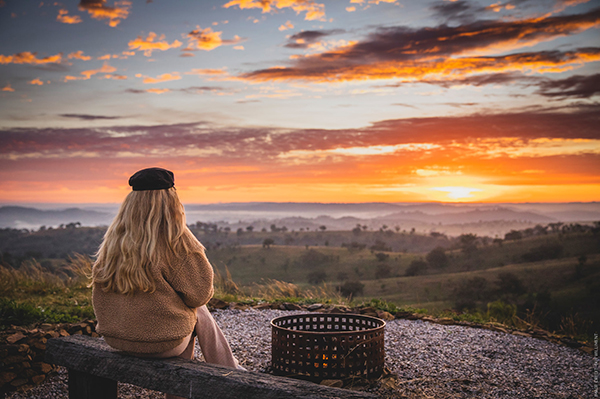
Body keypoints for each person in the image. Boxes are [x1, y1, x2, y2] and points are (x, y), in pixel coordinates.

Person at [91, 167, 243, 399]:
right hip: (161, 344)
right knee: (196, 310)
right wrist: (185, 235)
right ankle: (230, 374)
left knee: (189, 314)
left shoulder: (114, 239)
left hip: (117, 338)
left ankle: (231, 370)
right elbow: (200, 294)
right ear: (170, 199)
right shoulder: (175, 239)